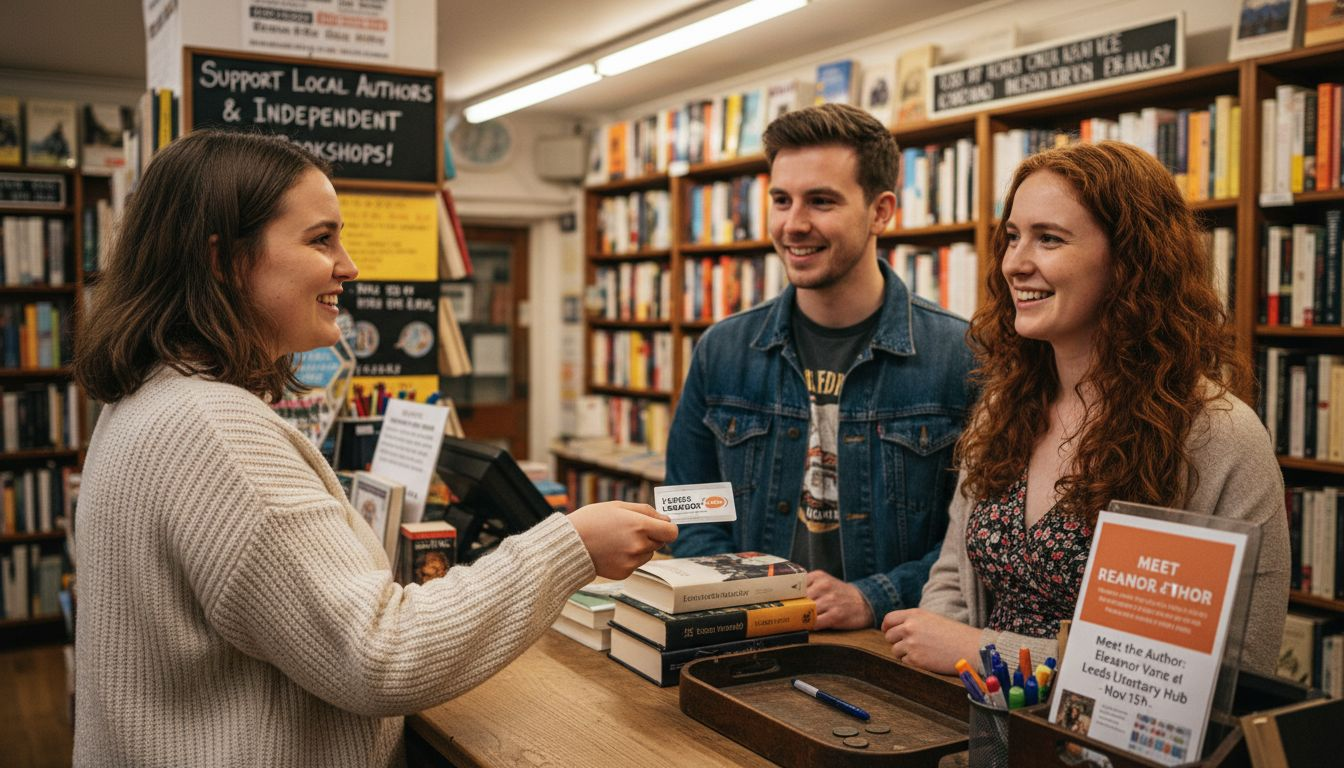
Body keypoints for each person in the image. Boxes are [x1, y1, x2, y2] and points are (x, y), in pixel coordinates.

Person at [71, 130, 678, 767]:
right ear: (222, 260)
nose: (349, 265)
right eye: (319, 239)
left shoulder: (149, 399)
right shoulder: (215, 432)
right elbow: (380, 656)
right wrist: (571, 546)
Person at [881, 140, 1289, 675]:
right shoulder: (1003, 406)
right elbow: (955, 572)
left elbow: (1227, 671)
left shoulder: (1220, 437)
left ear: (1129, 261)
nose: (1015, 264)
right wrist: (956, 656)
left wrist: (979, 651)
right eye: (1012, 238)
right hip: (980, 734)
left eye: (1048, 239)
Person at [665, 103, 975, 630]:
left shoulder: (961, 355)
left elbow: (973, 542)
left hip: (891, 647)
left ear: (881, 211)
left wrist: (872, 597)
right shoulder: (723, 349)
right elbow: (690, 503)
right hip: (743, 633)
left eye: (821, 201)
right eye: (781, 200)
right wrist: (734, 588)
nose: (793, 224)